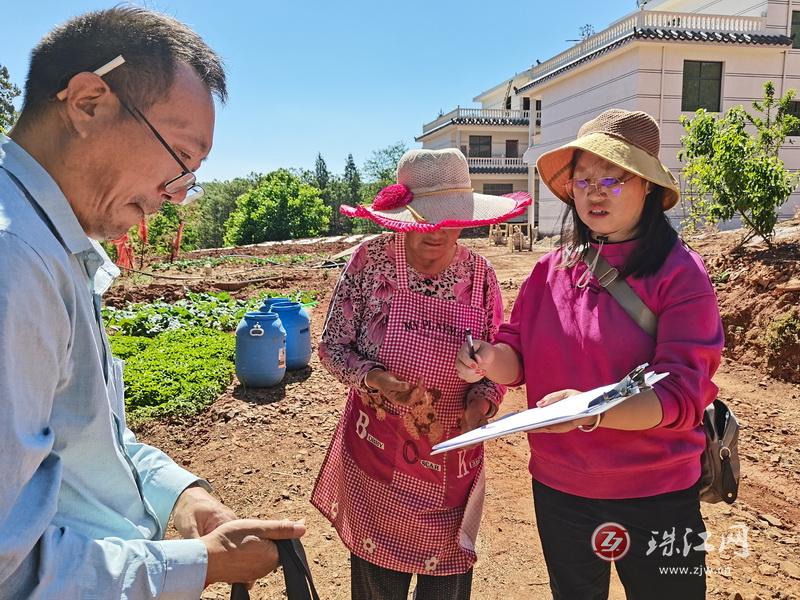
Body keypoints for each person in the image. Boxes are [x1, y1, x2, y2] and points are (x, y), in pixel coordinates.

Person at [0, 8, 304, 598]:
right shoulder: (15, 263)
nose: (178, 196)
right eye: (181, 158)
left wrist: (181, 496)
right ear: (88, 102)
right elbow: (9, 567)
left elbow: (86, 442)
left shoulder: (53, 246)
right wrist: (197, 565)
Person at [455, 109, 724, 600]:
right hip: (561, 489)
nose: (595, 192)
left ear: (647, 187)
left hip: (656, 493)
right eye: (583, 180)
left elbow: (683, 392)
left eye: (614, 179)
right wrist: (487, 359)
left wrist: (590, 412)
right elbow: (516, 352)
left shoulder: (681, 274)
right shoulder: (550, 271)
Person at [312, 148, 530, 600]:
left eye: (450, 220)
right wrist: (378, 380)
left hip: (453, 457)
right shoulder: (369, 265)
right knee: (378, 584)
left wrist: (481, 403)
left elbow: (497, 365)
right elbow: (333, 347)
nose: (439, 232)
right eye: (426, 219)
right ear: (401, 214)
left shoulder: (481, 275)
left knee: (446, 579)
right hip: (376, 457)